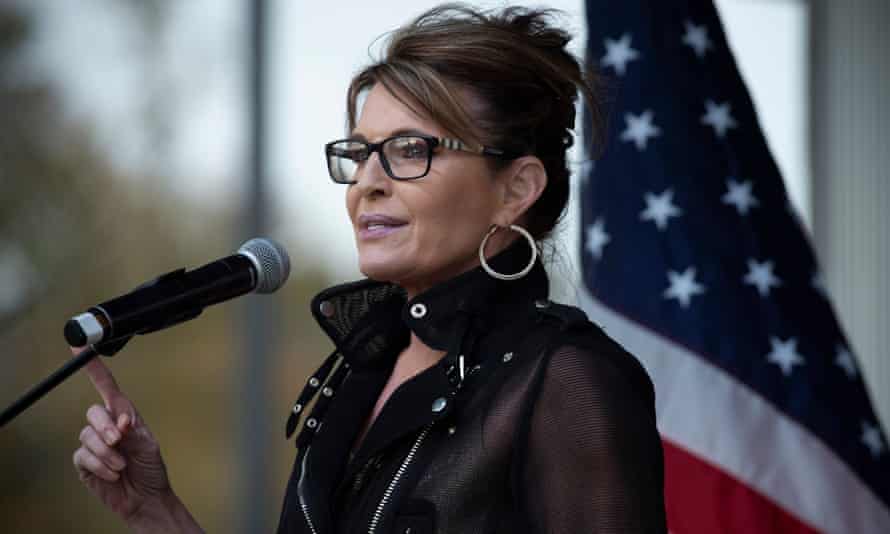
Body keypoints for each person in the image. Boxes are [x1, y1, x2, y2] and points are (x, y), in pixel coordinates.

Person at [72, 4, 667, 533]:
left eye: (411, 150)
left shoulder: (568, 379)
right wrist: (155, 511)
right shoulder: (362, 363)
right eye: (359, 153)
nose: (368, 183)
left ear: (517, 189)